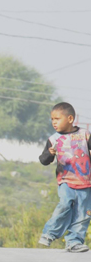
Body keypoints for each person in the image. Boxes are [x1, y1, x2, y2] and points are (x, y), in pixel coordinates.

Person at [38, 102, 91, 253]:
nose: (54, 122)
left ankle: (74, 241)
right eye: (52, 119)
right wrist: (50, 154)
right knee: (65, 205)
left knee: (83, 214)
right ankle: (49, 233)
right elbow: (43, 160)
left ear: (69, 118)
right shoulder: (53, 139)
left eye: (57, 118)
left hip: (86, 182)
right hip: (66, 181)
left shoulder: (84, 135)